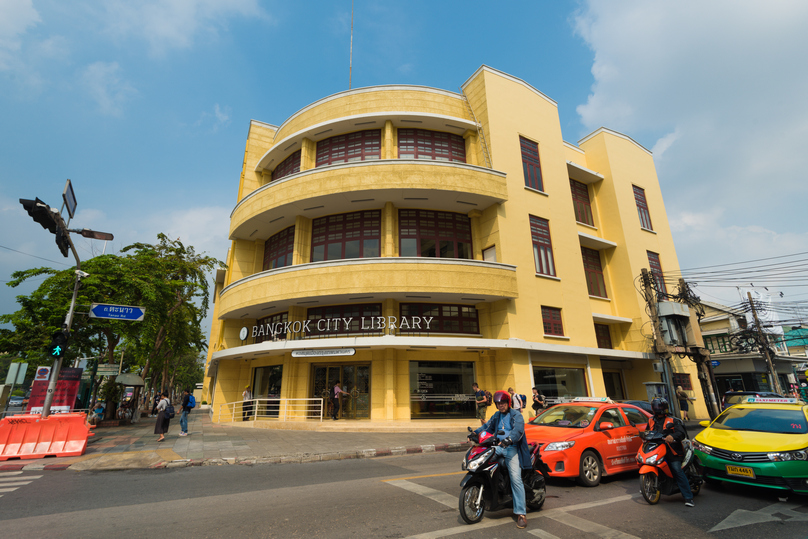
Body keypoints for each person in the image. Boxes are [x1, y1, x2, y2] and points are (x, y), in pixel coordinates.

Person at [473, 390, 529, 529]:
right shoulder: (497, 415)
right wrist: (474, 433)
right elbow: (487, 427)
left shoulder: (516, 415)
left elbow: (518, 431)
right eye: (498, 404)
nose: (500, 406)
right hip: (498, 447)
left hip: (512, 449)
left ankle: (521, 514)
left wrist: (509, 440)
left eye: (503, 403)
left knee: (516, 478)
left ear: (508, 403)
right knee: (481, 463)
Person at [648, 397, 694, 507]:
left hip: (672, 450)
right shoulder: (651, 420)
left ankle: (688, 497)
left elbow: (681, 434)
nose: (657, 409)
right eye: (655, 407)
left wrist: (672, 436)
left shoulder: (673, 420)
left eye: (659, 407)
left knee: (676, 469)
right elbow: (648, 432)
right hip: (657, 449)